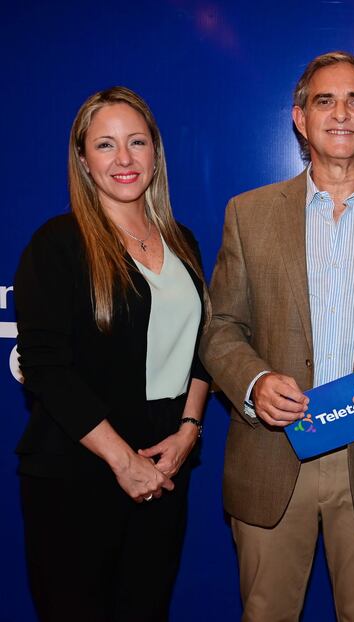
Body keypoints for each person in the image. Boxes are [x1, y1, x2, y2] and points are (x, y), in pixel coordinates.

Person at [201, 51, 354, 621]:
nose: (341, 113)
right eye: (325, 100)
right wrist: (255, 382)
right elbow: (220, 327)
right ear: (299, 117)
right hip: (273, 456)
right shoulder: (248, 213)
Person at [15, 86, 210, 622]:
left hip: (166, 468)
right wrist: (124, 462)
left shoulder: (183, 242)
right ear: (82, 158)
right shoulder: (57, 244)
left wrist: (188, 432)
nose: (124, 159)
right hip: (79, 475)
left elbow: (202, 350)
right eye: (105, 145)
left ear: (156, 153)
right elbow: (46, 368)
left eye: (136, 142)